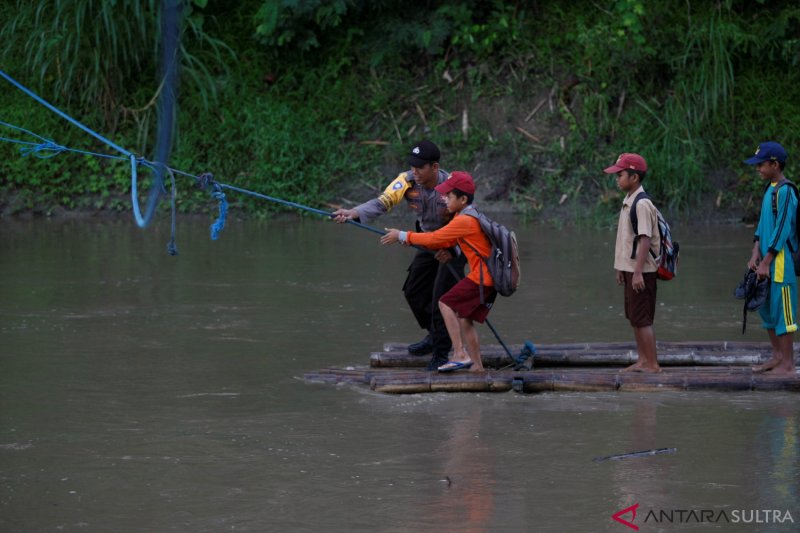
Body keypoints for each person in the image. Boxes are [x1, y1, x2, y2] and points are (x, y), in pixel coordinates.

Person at [332, 140, 466, 370]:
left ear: (434, 168)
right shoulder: (406, 181)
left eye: (420, 167)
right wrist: (353, 213)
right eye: (412, 166)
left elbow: (468, 224)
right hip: (426, 241)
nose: (414, 171)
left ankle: (442, 353)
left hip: (454, 245)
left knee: (440, 299)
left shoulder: (453, 188)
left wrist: (453, 249)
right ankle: (435, 335)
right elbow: (382, 203)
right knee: (413, 291)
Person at [381, 171, 495, 372]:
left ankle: (458, 354)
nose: (444, 199)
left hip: (480, 279)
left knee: (445, 303)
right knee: (464, 318)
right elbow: (446, 240)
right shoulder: (464, 215)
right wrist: (413, 239)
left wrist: (403, 235)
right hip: (483, 278)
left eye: (449, 196)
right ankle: (476, 365)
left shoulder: (463, 220)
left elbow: (435, 238)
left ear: (462, 199)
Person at [604, 153, 661, 373]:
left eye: (620, 175)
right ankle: (643, 360)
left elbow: (644, 239)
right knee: (634, 317)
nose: (617, 179)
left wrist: (637, 273)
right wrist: (621, 269)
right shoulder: (629, 200)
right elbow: (628, 240)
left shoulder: (642, 204)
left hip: (642, 271)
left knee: (643, 318)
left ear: (634, 177)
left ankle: (653, 365)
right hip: (631, 269)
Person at [745, 141, 798, 375]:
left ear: (775, 164)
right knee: (766, 310)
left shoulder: (786, 191)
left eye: (761, 165)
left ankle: (787, 363)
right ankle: (777, 357)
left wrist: (767, 261)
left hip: (780, 263)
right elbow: (762, 225)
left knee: (783, 313)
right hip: (765, 261)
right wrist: (756, 252)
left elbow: (782, 228)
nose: (758, 169)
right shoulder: (769, 189)